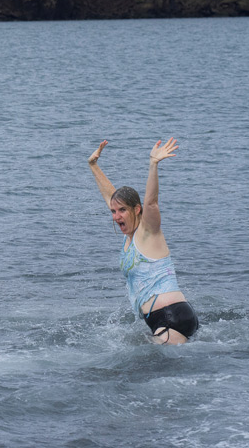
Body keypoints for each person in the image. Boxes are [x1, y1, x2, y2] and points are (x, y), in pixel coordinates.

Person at [88, 138, 198, 344]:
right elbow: (110, 196)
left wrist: (153, 165)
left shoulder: (148, 232)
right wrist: (93, 165)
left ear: (137, 210)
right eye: (113, 211)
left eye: (122, 211)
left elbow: (152, 203)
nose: (115, 216)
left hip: (171, 317)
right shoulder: (129, 236)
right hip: (162, 319)